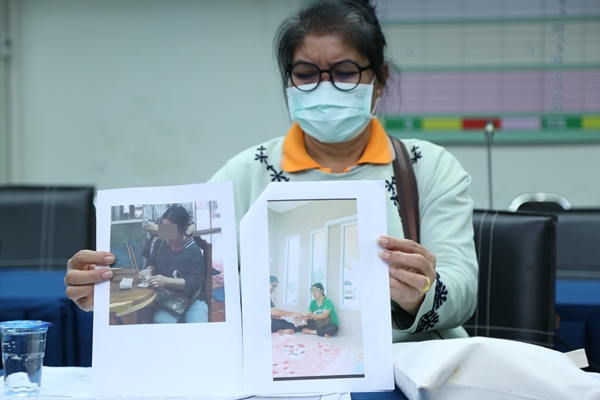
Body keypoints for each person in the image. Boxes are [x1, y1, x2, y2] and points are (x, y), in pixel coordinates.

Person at [65, 0, 478, 343]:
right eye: (306, 74)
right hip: (278, 377)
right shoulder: (246, 173)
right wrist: (102, 285)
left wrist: (419, 292)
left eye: (345, 72)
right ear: (289, 83)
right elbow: (203, 276)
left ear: (380, 80)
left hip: (411, 370)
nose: (325, 87)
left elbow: (463, 291)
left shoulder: (427, 168)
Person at [140, 205, 208, 324]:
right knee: (162, 322)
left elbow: (194, 283)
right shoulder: (161, 243)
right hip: (168, 298)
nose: (166, 234)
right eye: (164, 229)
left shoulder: (193, 249)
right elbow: (152, 262)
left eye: (171, 230)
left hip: (192, 300)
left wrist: (166, 281)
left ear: (182, 229)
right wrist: (148, 270)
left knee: (198, 326)